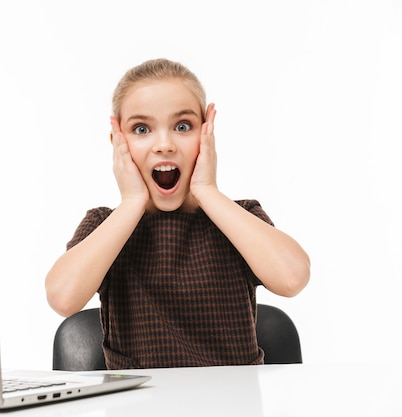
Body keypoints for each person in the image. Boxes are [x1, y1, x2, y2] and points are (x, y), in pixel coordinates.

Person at [45, 58, 310, 369]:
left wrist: (208, 190)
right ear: (118, 142)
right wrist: (131, 202)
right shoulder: (105, 225)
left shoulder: (240, 217)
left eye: (182, 127)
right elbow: (63, 298)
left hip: (232, 405)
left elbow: (293, 278)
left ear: (206, 134)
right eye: (141, 129)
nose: (164, 145)